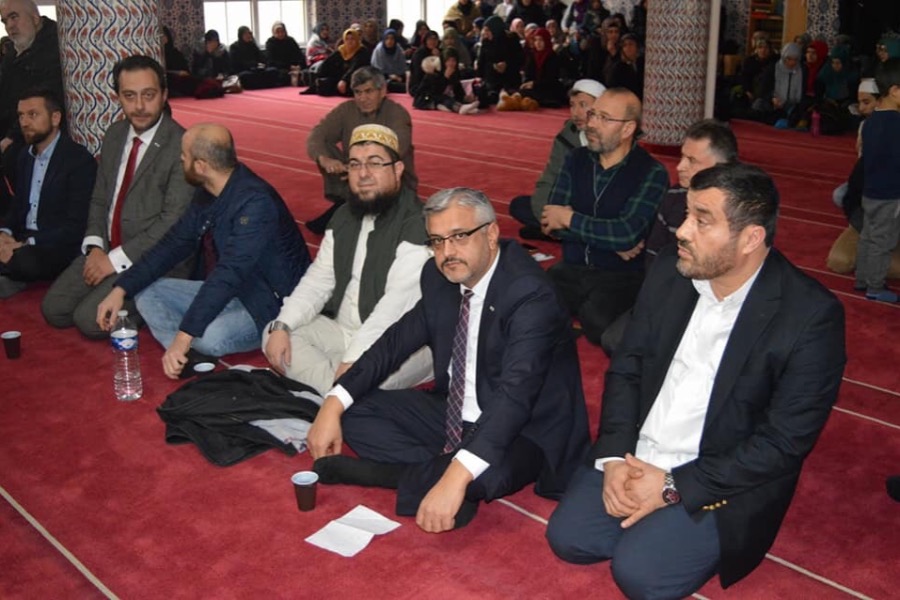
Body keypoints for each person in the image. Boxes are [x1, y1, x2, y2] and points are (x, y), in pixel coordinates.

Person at [546, 162, 847, 599]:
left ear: (751, 238)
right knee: (570, 539)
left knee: (640, 576)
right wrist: (613, 457)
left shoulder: (810, 315)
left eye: (702, 221)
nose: (682, 231)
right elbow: (628, 366)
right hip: (640, 452)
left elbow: (784, 442)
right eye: (687, 214)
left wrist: (673, 486)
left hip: (717, 474)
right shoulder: (671, 270)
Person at [308, 187, 590, 532]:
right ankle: (440, 472)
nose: (447, 253)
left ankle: (393, 474)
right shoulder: (439, 276)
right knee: (353, 411)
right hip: (455, 412)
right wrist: (333, 402)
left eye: (459, 237)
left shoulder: (529, 294)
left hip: (524, 428)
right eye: (437, 241)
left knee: (487, 474)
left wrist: (457, 477)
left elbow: (515, 395)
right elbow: (394, 343)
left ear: (491, 233)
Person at [95, 123, 310, 376]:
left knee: (209, 337)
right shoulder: (209, 191)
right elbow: (172, 244)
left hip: (270, 305)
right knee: (146, 292)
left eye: (184, 155)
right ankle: (187, 355)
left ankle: (187, 347)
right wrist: (121, 289)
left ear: (200, 166)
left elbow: (228, 273)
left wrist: (184, 335)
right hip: (234, 290)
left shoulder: (255, 203)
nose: (180, 159)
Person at [263, 124, 432, 395]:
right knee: (275, 335)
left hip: (402, 344)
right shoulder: (344, 216)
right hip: (342, 331)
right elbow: (318, 281)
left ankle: (334, 391)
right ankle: (341, 393)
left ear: (398, 169)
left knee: (372, 376)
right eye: (355, 164)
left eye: (375, 163)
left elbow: (395, 307)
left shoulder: (417, 223)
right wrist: (283, 325)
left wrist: (353, 360)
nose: (363, 173)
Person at [41, 55, 193, 338]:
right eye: (129, 96)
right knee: (55, 309)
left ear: (164, 95)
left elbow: (171, 223)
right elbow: (100, 199)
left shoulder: (181, 145)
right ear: (118, 97)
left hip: (156, 259)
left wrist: (114, 261)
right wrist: (95, 248)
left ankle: (158, 301)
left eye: (148, 95)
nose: (139, 106)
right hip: (109, 247)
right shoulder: (115, 134)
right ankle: (116, 286)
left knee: (89, 320)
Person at [540, 88, 668, 346]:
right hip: (572, 267)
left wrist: (570, 219)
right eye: (593, 115)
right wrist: (611, 239)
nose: (592, 124)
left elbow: (626, 233)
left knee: (597, 320)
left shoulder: (651, 172)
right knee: (528, 301)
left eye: (604, 118)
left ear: (628, 128)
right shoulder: (576, 159)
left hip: (620, 275)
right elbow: (550, 221)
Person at [601, 119, 739, 355]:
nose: (680, 167)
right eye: (682, 157)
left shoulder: (739, 211)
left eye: (692, 160)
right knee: (613, 339)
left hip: (717, 305)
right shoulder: (674, 197)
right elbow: (653, 260)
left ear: (722, 167)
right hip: (670, 294)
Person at [0, 89, 95, 298]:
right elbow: (17, 207)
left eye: (32, 115)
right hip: (24, 239)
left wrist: (24, 245)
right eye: (21, 116)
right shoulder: (24, 156)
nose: (25, 122)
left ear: (55, 118)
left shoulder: (77, 160)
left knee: (26, 260)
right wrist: (4, 234)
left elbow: (76, 226)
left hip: (55, 245)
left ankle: (13, 274)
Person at [306, 66, 417, 234]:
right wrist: (324, 158)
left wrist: (359, 167)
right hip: (356, 177)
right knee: (324, 147)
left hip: (393, 181)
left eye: (368, 91)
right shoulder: (346, 110)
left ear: (382, 91)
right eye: (358, 92)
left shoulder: (397, 113)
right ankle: (349, 201)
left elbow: (397, 148)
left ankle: (353, 208)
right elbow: (318, 134)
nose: (362, 98)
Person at [509, 78, 605, 238]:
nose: (576, 113)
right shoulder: (566, 136)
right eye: (572, 105)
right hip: (568, 208)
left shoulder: (614, 137)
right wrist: (546, 218)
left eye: (583, 105)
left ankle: (567, 235)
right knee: (520, 206)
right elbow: (550, 178)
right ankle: (569, 235)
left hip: (602, 210)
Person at [0, 0, 64, 216]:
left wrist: (11, 137)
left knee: (13, 158)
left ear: (35, 19)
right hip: (15, 126)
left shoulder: (54, 45)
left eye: (14, 17)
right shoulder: (14, 50)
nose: (10, 26)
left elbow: (46, 99)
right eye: (5, 21)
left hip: (40, 130)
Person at [855, 57, 900, 303]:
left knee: (868, 236)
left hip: (870, 192)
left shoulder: (871, 122)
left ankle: (862, 278)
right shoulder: (896, 124)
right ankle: (875, 286)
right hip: (890, 194)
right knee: (883, 241)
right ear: (894, 91)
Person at [412, 51, 480, 115]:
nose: (451, 63)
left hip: (441, 98)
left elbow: (458, 90)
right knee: (444, 98)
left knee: (450, 99)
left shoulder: (454, 72)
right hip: (426, 99)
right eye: (448, 61)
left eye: (453, 60)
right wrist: (445, 78)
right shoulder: (433, 74)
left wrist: (464, 98)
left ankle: (462, 107)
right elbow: (437, 92)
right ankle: (459, 108)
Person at [313, 28, 371, 97]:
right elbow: (327, 63)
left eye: (352, 39)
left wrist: (344, 80)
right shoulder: (342, 50)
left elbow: (354, 68)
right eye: (347, 39)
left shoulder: (362, 51)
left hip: (356, 79)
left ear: (357, 39)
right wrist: (319, 74)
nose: (349, 41)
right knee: (324, 83)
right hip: (340, 79)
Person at [265, 21, 305, 86]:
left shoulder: (290, 41)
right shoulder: (270, 43)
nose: (280, 34)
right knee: (278, 73)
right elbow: (271, 61)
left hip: (294, 66)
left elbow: (299, 55)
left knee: (305, 71)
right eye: (278, 32)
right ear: (273, 33)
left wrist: (298, 65)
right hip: (280, 67)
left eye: (282, 31)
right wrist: (289, 66)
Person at [607, 33, 644, 99]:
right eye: (624, 45)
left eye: (631, 44)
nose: (628, 48)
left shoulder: (642, 63)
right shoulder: (619, 67)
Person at [370, 29, 408, 93]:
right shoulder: (379, 51)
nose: (389, 41)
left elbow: (402, 68)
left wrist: (399, 77)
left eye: (392, 39)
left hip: (397, 79)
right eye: (387, 38)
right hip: (380, 79)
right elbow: (376, 71)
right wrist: (389, 76)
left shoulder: (398, 50)